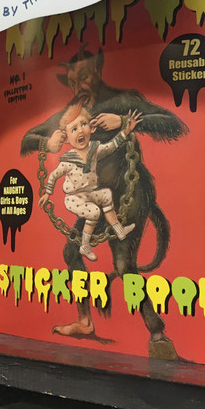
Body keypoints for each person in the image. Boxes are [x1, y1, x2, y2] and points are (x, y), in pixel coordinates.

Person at [21, 44, 188, 358]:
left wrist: (124, 121)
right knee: (71, 251)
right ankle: (85, 321)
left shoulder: (123, 100)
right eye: (73, 81)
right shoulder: (72, 114)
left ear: (98, 71)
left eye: (84, 77)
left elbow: (173, 123)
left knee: (124, 265)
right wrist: (47, 141)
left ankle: (158, 335)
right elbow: (27, 138)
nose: (79, 87)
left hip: (130, 194)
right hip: (95, 198)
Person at [39, 104, 141, 261]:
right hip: (74, 198)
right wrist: (47, 193)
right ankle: (85, 246)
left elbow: (111, 146)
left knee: (106, 194)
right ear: (66, 139)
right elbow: (53, 175)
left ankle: (119, 230)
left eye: (83, 125)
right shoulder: (68, 160)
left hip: (89, 193)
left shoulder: (95, 150)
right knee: (94, 212)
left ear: (92, 128)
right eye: (74, 129)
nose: (80, 131)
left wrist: (125, 132)